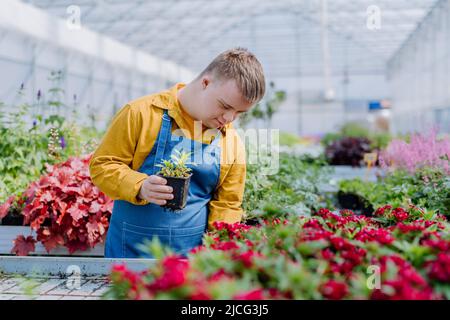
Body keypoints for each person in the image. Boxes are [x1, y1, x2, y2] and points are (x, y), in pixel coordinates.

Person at [89, 47, 266, 258]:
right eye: (225, 106)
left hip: (191, 261)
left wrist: (218, 252)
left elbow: (227, 204)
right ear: (206, 83)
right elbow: (102, 165)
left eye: (239, 112)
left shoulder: (231, 141)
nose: (229, 118)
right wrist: (140, 186)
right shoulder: (140, 114)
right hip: (130, 253)